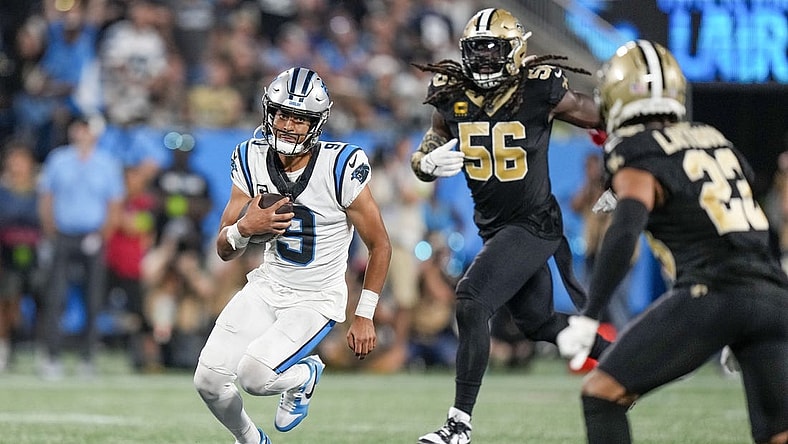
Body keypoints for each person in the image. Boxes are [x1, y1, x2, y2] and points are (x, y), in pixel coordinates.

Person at [556, 40, 788, 444]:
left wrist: (590, 314)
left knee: (602, 394)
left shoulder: (635, 148)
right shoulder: (713, 137)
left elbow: (625, 228)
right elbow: (753, 224)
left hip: (713, 292)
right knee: (777, 435)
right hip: (773, 295)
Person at [410, 8, 611, 443]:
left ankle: (457, 425)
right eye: (476, 52)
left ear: (515, 51)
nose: (482, 61)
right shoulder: (450, 92)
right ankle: (623, 362)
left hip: (534, 222)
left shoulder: (540, 88)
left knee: (471, 299)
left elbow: (605, 118)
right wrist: (424, 162)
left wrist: (618, 166)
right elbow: (431, 140)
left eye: (492, 51)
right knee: (538, 323)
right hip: (494, 228)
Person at [192, 67, 391, 444]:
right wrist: (244, 229)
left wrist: (364, 313)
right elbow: (223, 249)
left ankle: (305, 375)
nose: (288, 125)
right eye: (282, 113)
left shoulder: (340, 166)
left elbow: (380, 243)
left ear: (316, 123)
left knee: (254, 375)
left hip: (315, 299)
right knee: (209, 381)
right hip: (267, 287)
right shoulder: (250, 156)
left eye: (300, 118)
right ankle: (251, 440)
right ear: (268, 112)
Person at [37, 114, 124, 379]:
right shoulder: (58, 159)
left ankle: (88, 356)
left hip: (93, 236)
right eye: (80, 128)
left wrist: (103, 235)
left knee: (93, 298)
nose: (83, 133)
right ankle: (51, 355)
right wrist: (51, 232)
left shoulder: (107, 164)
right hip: (63, 235)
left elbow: (114, 205)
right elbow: (47, 198)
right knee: (55, 296)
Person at [0, 141, 42, 372]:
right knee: (6, 303)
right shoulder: (3, 192)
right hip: (6, 253)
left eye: (21, 160)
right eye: (13, 160)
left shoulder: (41, 191)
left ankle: (43, 351)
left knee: (41, 302)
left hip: (35, 253)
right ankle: (4, 350)